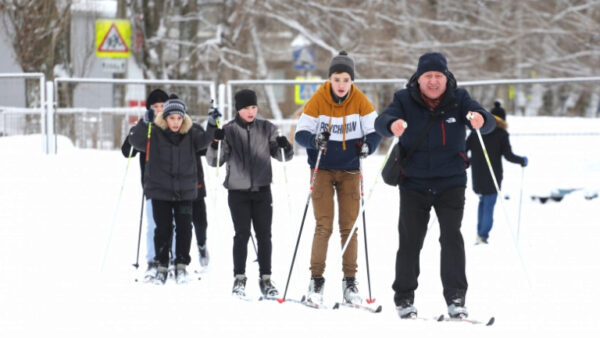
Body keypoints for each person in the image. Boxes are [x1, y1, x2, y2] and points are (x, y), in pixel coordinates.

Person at [374, 52, 496, 319]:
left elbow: (487, 122)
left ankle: (456, 298)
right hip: (413, 183)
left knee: (451, 238)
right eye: (427, 76)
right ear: (418, 79)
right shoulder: (403, 99)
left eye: (438, 76)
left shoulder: (459, 99)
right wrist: (392, 124)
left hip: (451, 182)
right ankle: (404, 297)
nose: (433, 81)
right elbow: (381, 123)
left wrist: (481, 120)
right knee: (410, 241)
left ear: (446, 77)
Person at [294, 51, 382, 305]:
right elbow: (300, 133)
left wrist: (369, 146)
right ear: (330, 79)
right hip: (321, 168)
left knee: (350, 227)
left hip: (351, 170)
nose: (341, 85)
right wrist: (314, 140)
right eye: (337, 79)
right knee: (324, 225)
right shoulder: (318, 99)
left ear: (351, 81)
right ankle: (316, 280)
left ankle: (350, 282)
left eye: (346, 79)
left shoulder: (360, 100)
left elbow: (375, 131)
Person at [206, 89, 293, 298]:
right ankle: (239, 278)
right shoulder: (229, 130)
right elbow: (213, 161)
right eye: (246, 108)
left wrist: (285, 146)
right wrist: (215, 142)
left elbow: (283, 156)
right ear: (238, 109)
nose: (251, 111)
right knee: (242, 234)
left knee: (264, 235)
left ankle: (266, 278)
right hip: (238, 192)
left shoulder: (267, 128)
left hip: (263, 190)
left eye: (253, 107)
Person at [128, 95, 216, 284]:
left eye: (179, 118)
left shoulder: (191, 133)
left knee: (184, 229)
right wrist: (144, 123)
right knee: (163, 229)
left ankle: (181, 266)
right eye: (172, 118)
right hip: (160, 191)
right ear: (165, 118)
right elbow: (136, 141)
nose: (176, 122)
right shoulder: (155, 132)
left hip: (185, 191)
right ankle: (161, 266)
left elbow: (205, 142)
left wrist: (212, 124)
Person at [120, 88, 168, 280]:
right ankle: (152, 259)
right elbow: (127, 151)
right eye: (155, 107)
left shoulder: (174, 124)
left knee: (172, 224)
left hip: (174, 184)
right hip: (152, 185)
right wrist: (142, 125)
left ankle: (170, 259)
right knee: (153, 225)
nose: (159, 110)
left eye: (162, 106)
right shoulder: (145, 125)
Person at [466, 100, 527, 244]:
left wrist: (467, 162)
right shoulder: (501, 134)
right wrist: (522, 160)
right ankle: (483, 236)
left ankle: (480, 235)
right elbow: (508, 156)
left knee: (482, 202)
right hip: (493, 176)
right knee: (488, 205)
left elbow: (463, 150)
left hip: (478, 176)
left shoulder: (476, 133)